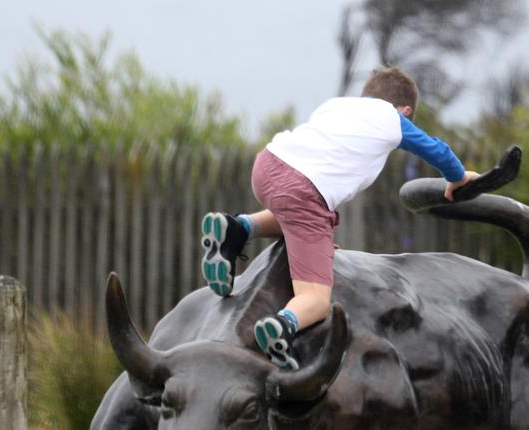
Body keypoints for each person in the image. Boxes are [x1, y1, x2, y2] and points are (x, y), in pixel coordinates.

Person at [200, 66, 479, 370]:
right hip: (304, 191)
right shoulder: (391, 118)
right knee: (317, 301)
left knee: (298, 218)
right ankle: (282, 326)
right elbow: (436, 150)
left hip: (267, 165)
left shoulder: (337, 106)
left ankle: (238, 228)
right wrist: (458, 176)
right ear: (405, 110)